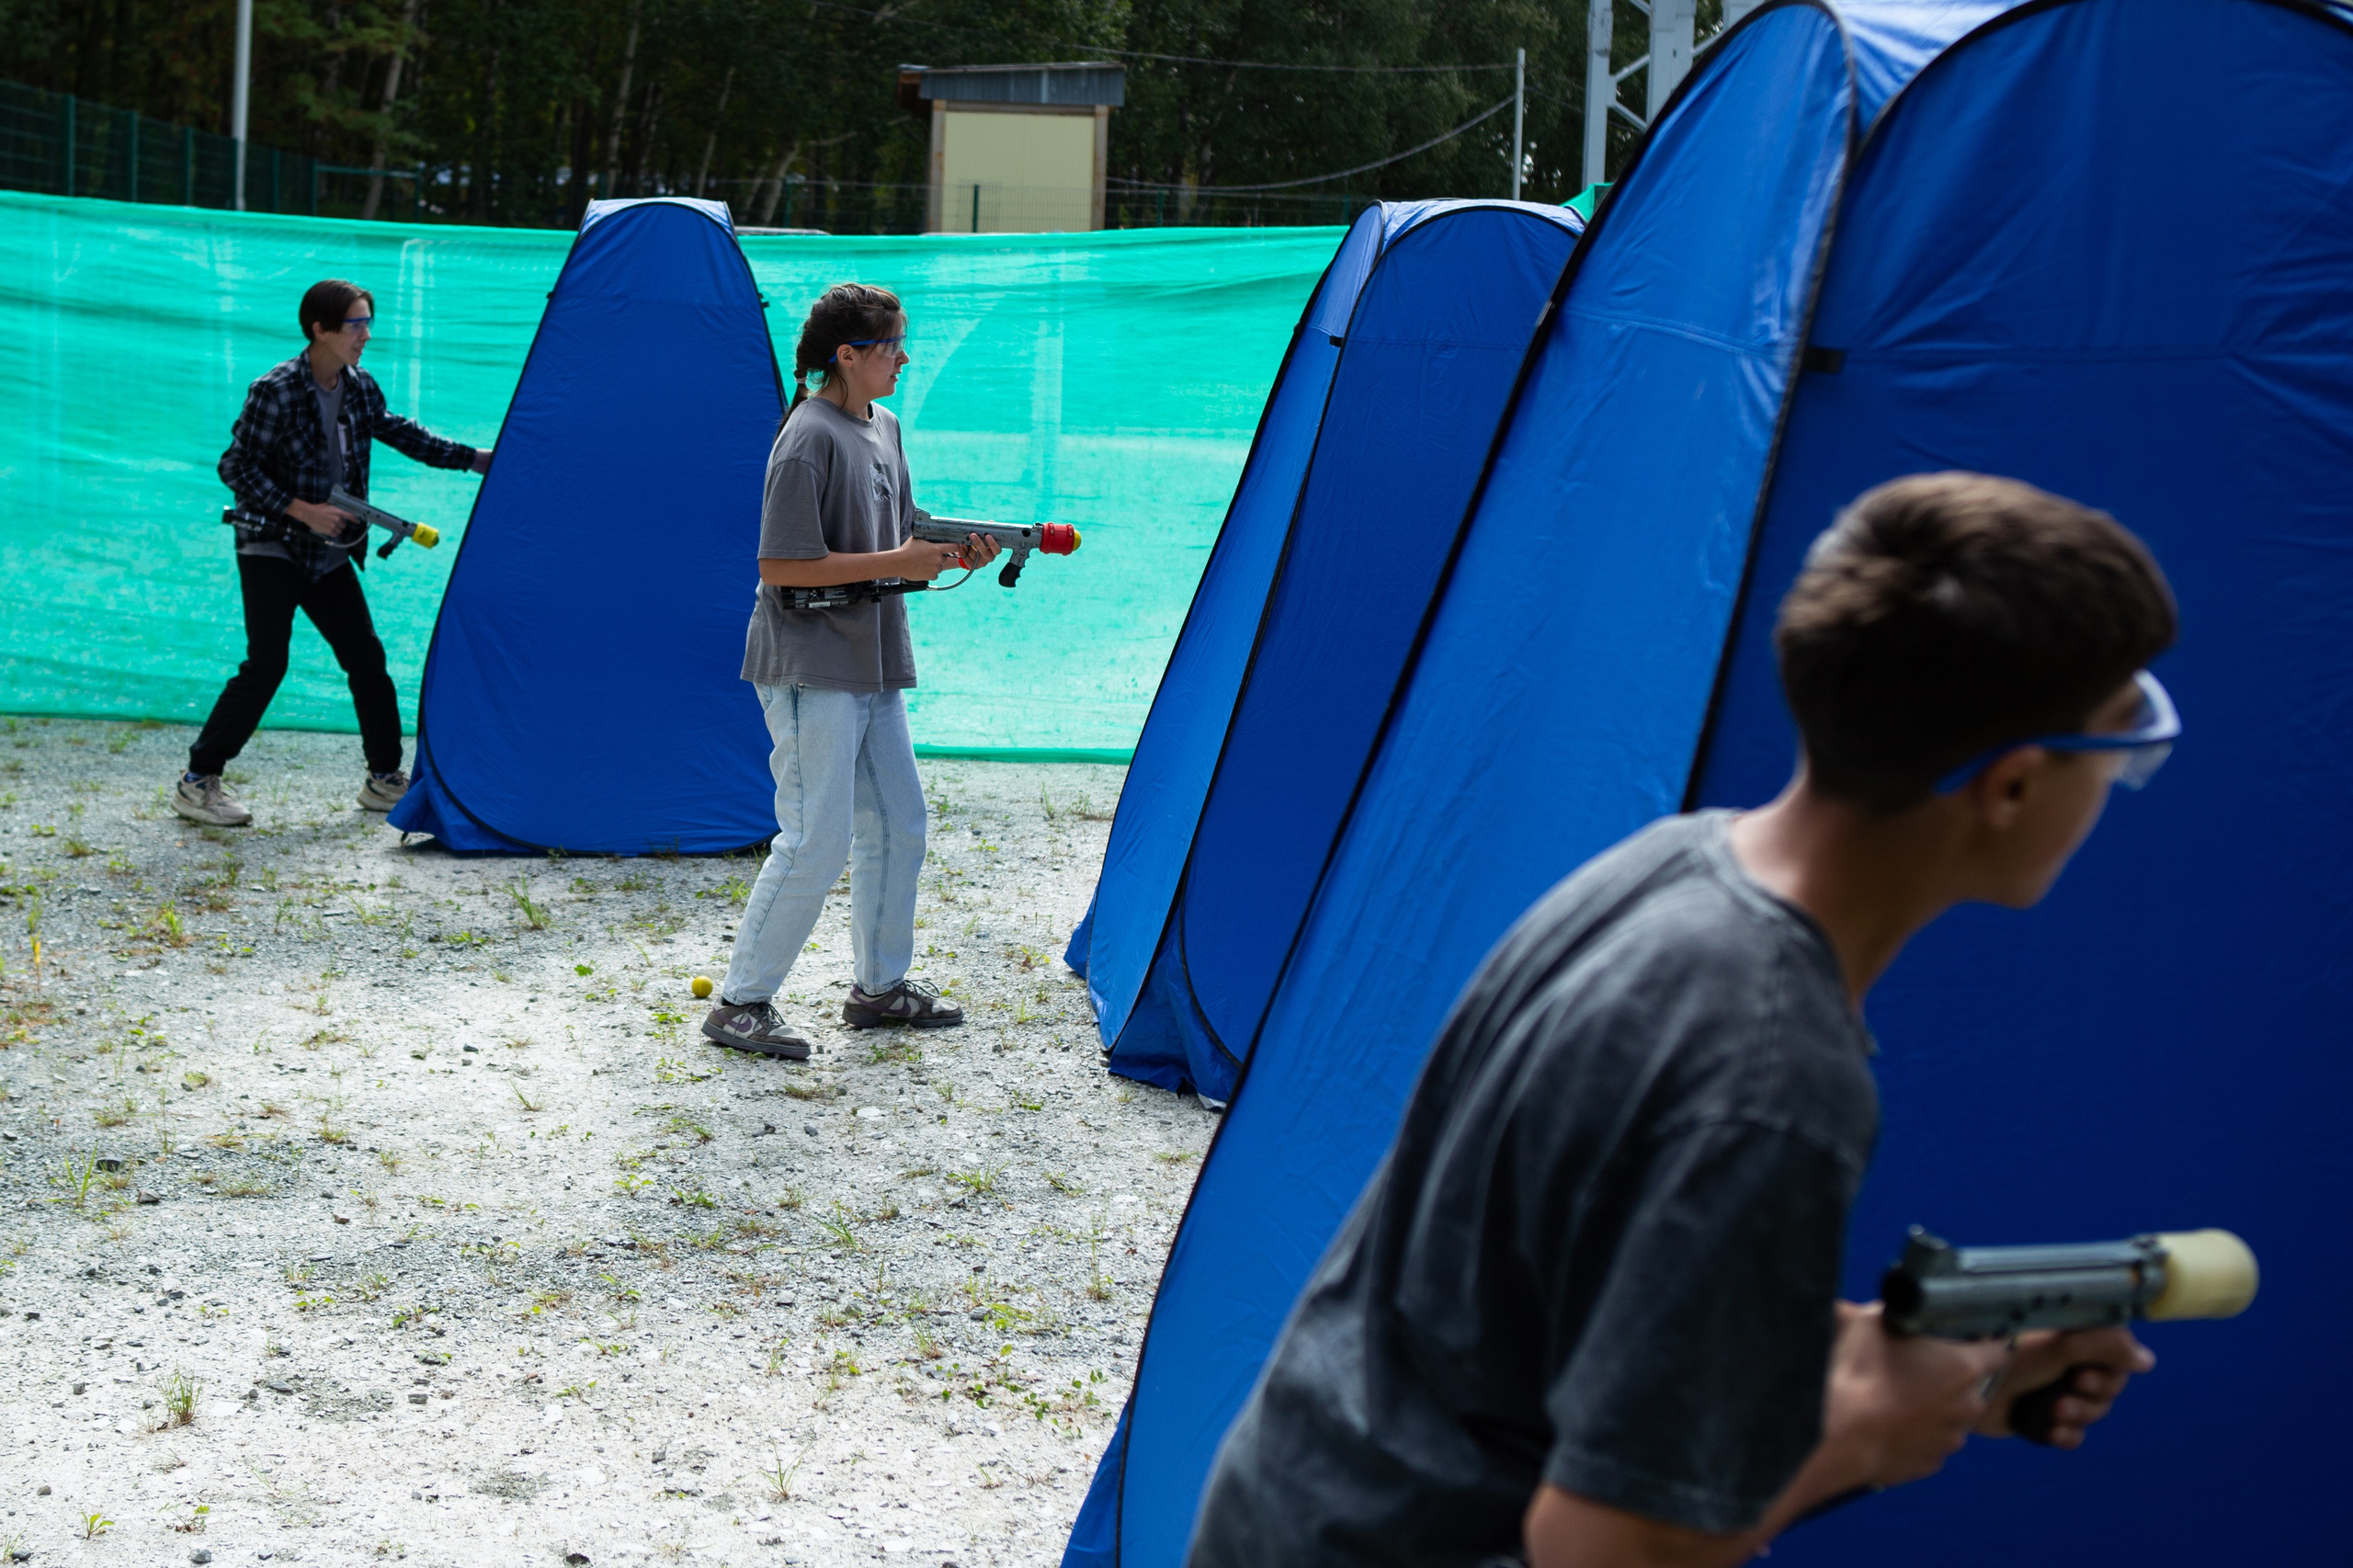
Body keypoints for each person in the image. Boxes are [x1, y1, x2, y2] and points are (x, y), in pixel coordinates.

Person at [1188, 472, 2181, 1568]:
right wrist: (1865, 1432)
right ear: (2011, 786)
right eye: (2119, 749)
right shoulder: (1772, 1078)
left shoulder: (1672, 867)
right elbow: (1611, 1548)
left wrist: (1909, 1360)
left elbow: (1593, 1294)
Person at [699, 283, 999, 1062]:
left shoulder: (887, 426)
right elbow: (780, 564)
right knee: (815, 838)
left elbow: (895, 534)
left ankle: (879, 989)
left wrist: (947, 550)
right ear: (847, 354)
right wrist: (900, 559)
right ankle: (741, 1003)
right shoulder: (806, 437)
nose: (904, 357)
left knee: (900, 823)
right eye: (892, 344)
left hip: (873, 661)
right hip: (810, 666)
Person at [176, 278, 491, 827]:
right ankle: (198, 780)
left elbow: (404, 434)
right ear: (319, 329)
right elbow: (235, 467)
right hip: (271, 542)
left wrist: (476, 459)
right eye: (355, 324)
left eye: (368, 322)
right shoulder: (274, 389)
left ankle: (384, 779)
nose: (366, 334)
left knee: (367, 660)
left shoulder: (360, 387)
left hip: (329, 552)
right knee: (267, 663)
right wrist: (301, 508)